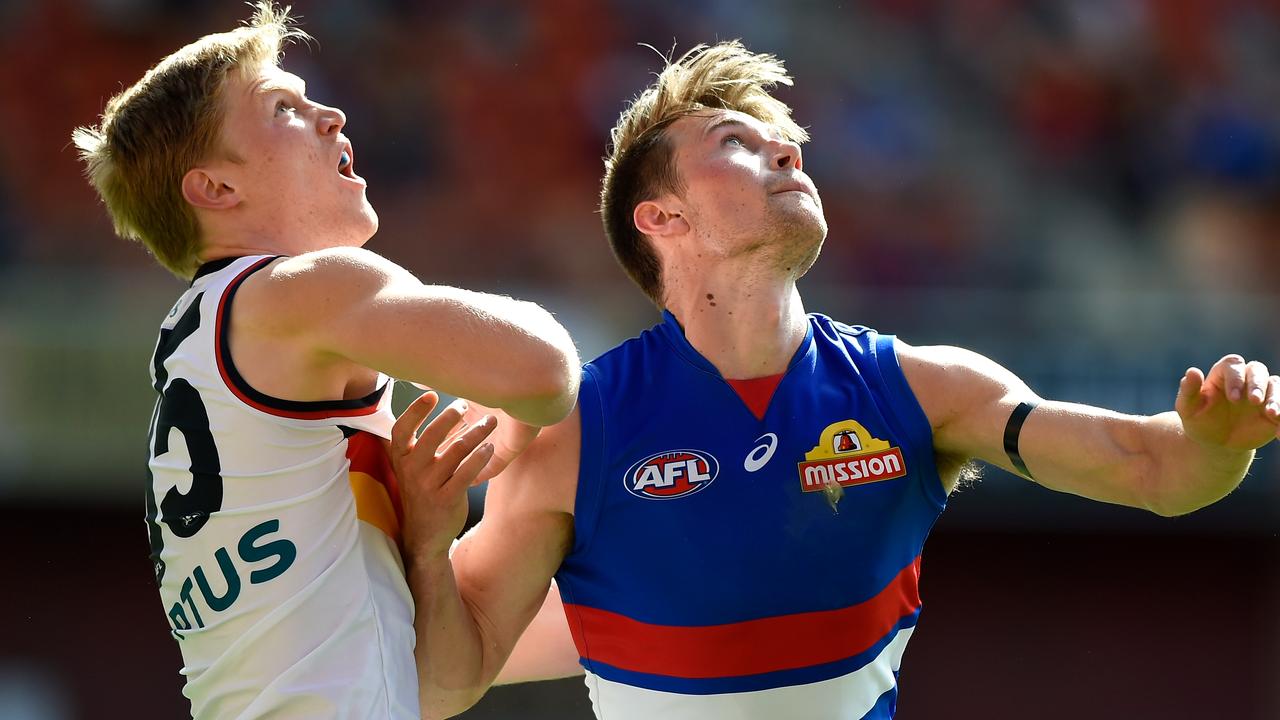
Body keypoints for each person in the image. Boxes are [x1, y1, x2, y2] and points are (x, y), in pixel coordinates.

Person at [392, 41, 1280, 720]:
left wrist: (1212, 443)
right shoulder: (574, 430)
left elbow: (1155, 471)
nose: (787, 155)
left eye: (787, 145)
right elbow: (444, 681)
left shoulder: (926, 390)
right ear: (660, 217)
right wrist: (430, 550)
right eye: (737, 143)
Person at [71, 4, 578, 718]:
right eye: (284, 108)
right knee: (593, 411)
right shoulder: (296, 290)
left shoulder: (204, 337)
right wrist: (523, 417)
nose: (333, 114)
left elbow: (434, 688)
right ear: (217, 188)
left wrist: (427, 550)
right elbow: (544, 372)